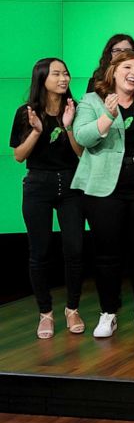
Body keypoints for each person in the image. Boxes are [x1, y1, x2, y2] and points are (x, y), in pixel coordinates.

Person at [71, 50, 134, 338]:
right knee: (107, 255)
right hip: (103, 190)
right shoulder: (92, 101)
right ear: (113, 71)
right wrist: (108, 117)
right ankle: (108, 312)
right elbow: (83, 137)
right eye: (127, 67)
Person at [11, 58, 83, 338]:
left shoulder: (74, 109)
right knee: (39, 253)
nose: (64, 78)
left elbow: (80, 153)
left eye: (66, 73)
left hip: (71, 184)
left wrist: (68, 126)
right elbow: (19, 155)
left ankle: (72, 309)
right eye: (56, 74)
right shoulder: (26, 112)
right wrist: (37, 131)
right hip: (38, 184)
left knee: (75, 250)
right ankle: (45, 313)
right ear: (42, 78)